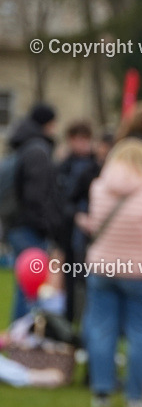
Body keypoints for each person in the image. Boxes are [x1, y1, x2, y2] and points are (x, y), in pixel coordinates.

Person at [79, 137, 142, 407]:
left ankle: (102, 392)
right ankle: (135, 397)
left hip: (102, 268)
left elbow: (95, 224)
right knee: (139, 333)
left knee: (101, 329)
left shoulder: (98, 188)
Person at [5, 103, 62, 322]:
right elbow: (37, 196)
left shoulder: (23, 148)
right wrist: (47, 226)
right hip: (29, 228)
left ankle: (19, 338)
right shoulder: (38, 151)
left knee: (25, 284)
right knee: (31, 286)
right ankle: (23, 338)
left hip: (17, 225)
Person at [56, 120, 101, 323]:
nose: (82, 144)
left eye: (85, 139)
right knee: (70, 279)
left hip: (95, 229)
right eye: (78, 139)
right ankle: (69, 320)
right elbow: (60, 200)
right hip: (70, 231)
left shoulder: (97, 166)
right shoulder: (63, 167)